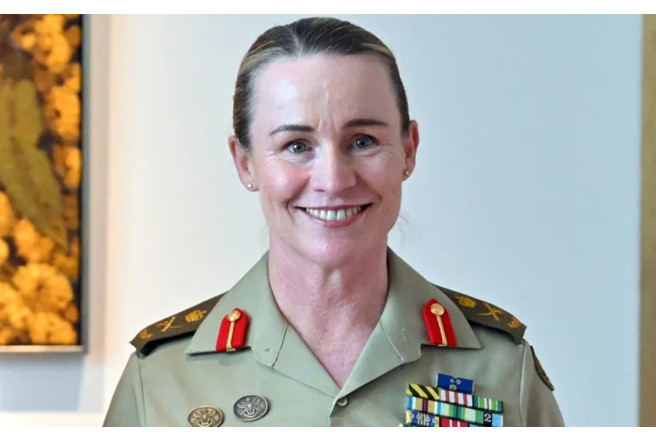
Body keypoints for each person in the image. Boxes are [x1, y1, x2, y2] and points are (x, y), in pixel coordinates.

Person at [103, 16, 564, 427]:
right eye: (296, 146)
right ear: (245, 163)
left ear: (409, 150)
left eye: (363, 141)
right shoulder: (160, 377)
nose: (334, 180)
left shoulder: (504, 368)